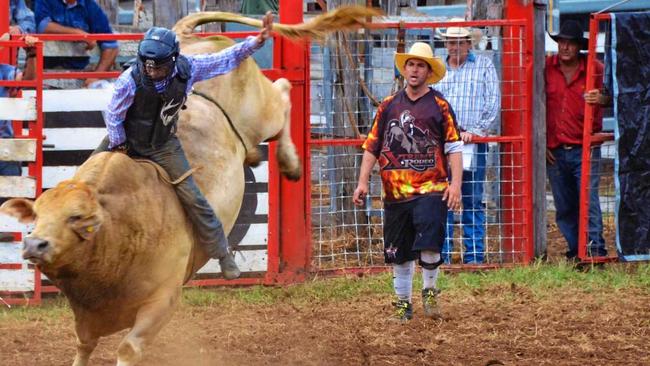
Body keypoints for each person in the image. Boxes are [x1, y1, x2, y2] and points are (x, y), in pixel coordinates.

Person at [92, 12, 277, 280]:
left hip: (164, 144)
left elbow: (224, 59)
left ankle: (222, 253)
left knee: (194, 197)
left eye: (159, 67)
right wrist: (119, 145)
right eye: (149, 66)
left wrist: (256, 42)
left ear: (173, 60)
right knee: (87, 180)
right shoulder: (129, 80)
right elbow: (115, 116)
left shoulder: (188, 69)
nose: (153, 72)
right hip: (127, 138)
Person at [352, 42, 463, 321]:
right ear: (404, 69)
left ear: (428, 71)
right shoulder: (388, 105)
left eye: (420, 65)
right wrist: (362, 182)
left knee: (429, 244)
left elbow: (453, 147)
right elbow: (372, 146)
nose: (414, 70)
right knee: (399, 253)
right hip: (395, 194)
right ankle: (403, 305)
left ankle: (429, 295)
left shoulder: (439, 105)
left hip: (431, 188)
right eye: (411, 64)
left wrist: (456, 185)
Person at [436, 22, 500, 265]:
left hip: (471, 140)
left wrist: (477, 130)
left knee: (472, 198)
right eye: (451, 42)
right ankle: (443, 255)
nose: (454, 46)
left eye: (459, 41)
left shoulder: (483, 65)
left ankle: (474, 256)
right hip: (443, 143)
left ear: (468, 43)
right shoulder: (438, 68)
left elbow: (492, 102)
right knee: (443, 199)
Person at [545, 20, 609, 261]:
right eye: (561, 42)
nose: (565, 47)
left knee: (589, 201)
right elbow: (538, 105)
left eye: (570, 43)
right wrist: (543, 143)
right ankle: (576, 249)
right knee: (564, 205)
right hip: (555, 149)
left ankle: (594, 251)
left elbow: (614, 96)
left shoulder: (596, 69)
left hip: (586, 147)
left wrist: (602, 99)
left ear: (578, 47)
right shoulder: (547, 69)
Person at [0, 34, 38, 241]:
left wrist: (31, 53)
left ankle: (8, 229)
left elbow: (29, 79)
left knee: (13, 183)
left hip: (5, 146)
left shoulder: (5, 70)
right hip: (5, 146)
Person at [34, 0, 118, 86]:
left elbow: (111, 45)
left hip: (79, 72)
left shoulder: (90, 6)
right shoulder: (45, 1)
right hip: (43, 73)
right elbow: (43, 27)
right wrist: (79, 34)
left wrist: (96, 76)